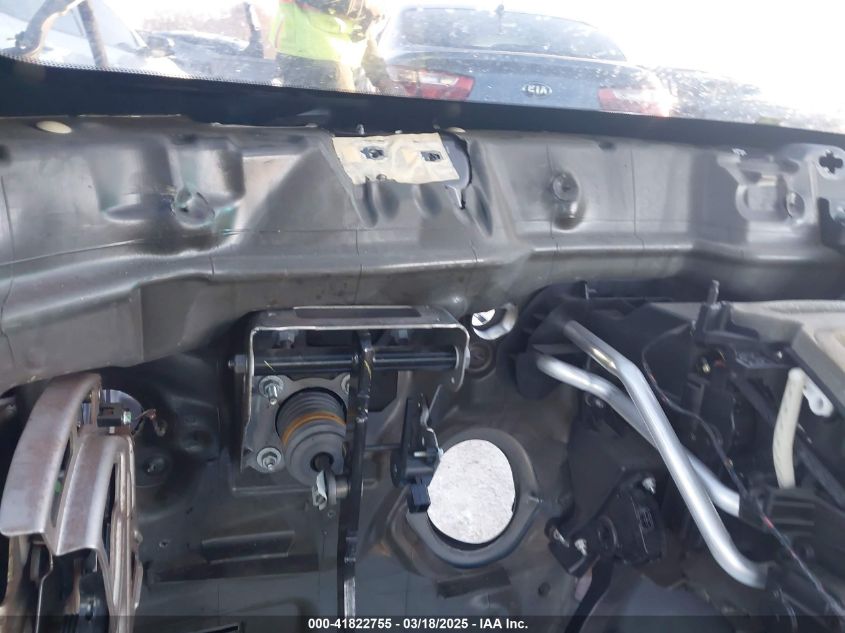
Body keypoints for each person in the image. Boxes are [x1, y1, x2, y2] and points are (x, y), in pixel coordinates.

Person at [270, 0, 393, 93]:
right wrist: (362, 6)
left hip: (335, 65)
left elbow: (362, 33)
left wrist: (381, 78)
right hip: (314, 63)